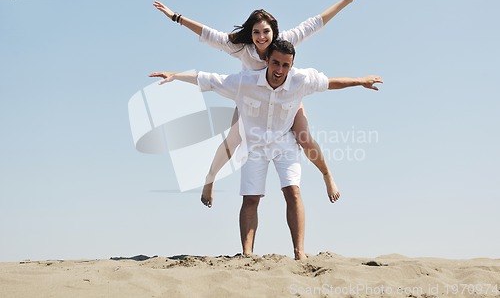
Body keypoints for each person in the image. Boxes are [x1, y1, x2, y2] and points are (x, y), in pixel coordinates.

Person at [149, 39, 383, 260]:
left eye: (285, 65)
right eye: (275, 63)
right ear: (267, 61)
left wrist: (360, 81)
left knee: (293, 191)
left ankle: (300, 251)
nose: (279, 70)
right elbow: (209, 80)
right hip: (255, 145)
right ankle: (247, 254)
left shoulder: (301, 80)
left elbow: (330, 83)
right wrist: (175, 76)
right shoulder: (245, 82)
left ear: (291, 66)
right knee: (251, 198)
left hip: (284, 142)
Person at [153, 0, 367, 208]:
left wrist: (348, 0)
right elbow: (208, 34)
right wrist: (175, 17)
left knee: (304, 138)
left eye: (266, 31)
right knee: (232, 140)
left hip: (286, 97)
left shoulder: (284, 42)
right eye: (256, 32)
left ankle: (327, 175)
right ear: (250, 34)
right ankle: (210, 179)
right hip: (251, 101)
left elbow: (316, 23)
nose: (261, 37)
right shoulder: (241, 47)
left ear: (273, 31)